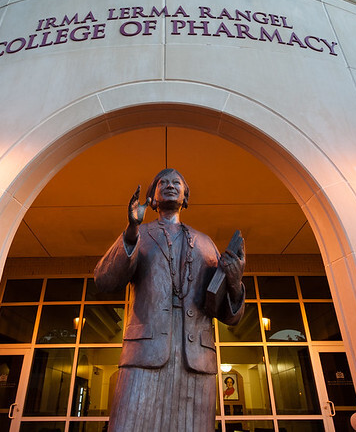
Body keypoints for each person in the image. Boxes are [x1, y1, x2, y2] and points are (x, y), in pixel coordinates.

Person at [94, 168, 245, 432]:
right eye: (162, 182)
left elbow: (225, 313)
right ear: (152, 198)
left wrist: (234, 282)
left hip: (196, 358)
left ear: (186, 197)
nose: (170, 185)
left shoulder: (205, 243)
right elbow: (104, 280)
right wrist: (131, 230)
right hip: (145, 353)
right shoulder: (139, 235)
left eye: (177, 182)